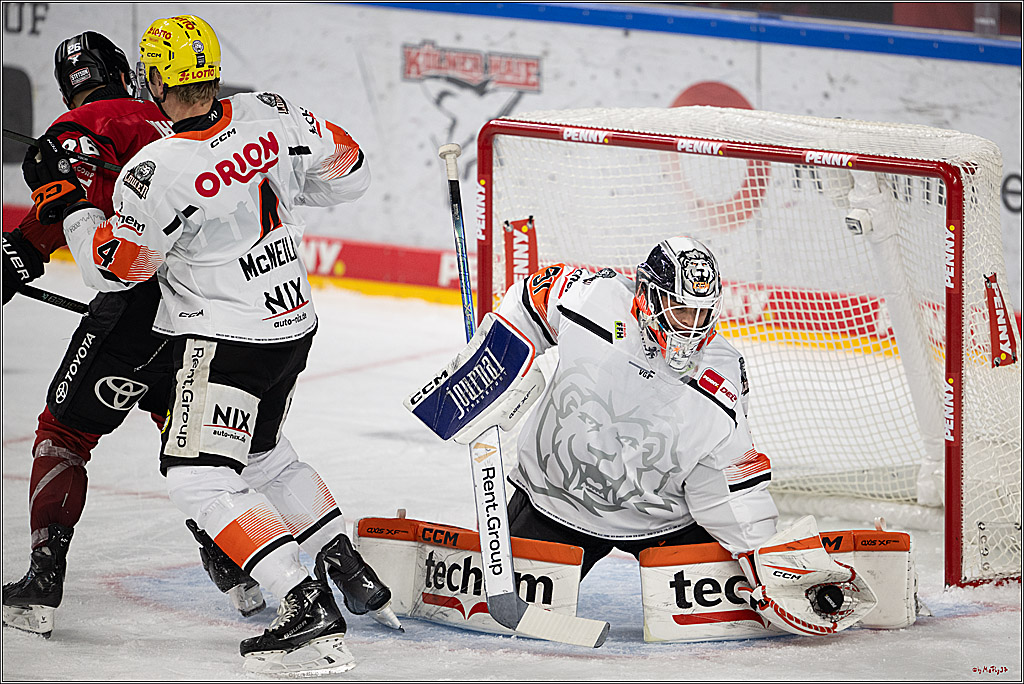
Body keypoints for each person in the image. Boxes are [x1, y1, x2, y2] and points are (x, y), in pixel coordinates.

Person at [22, 14, 399, 674]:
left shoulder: (155, 172)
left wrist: (77, 207)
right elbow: (352, 171)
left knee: (199, 478)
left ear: (160, 77)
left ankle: (302, 602)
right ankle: (342, 559)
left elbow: (113, 269)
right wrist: (278, 184)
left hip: (224, 341)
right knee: (266, 457)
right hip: (293, 324)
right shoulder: (271, 111)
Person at [2, 30, 266, 639]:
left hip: (128, 312)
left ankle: (43, 582)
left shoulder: (75, 132)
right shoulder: (191, 120)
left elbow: (55, 221)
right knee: (191, 446)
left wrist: (14, 259)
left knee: (64, 433)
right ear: (128, 73)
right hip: (205, 313)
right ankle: (238, 569)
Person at [492, 237, 779, 576]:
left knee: (737, 606)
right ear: (647, 295)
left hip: (664, 523)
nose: (692, 325)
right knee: (502, 603)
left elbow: (725, 476)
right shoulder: (593, 299)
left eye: (702, 312)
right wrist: (491, 366)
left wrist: (767, 561)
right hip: (558, 504)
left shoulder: (723, 371)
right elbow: (529, 301)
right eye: (681, 309)